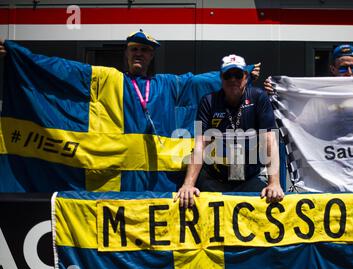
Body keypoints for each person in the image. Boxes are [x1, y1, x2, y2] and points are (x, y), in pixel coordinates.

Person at [0, 30, 261, 192]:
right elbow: (65, 70)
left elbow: (197, 81)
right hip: (117, 181)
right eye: (135, 49)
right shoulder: (107, 79)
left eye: (145, 51)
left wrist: (244, 73)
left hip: (160, 182)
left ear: (151, 57)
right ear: (127, 53)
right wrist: (21, 57)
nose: (139, 54)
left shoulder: (166, 85)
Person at [174, 54, 284, 208]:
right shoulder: (209, 101)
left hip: (250, 178)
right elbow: (200, 145)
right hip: (215, 178)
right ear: (221, 78)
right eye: (228, 75)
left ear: (245, 77)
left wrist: (274, 183)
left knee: (269, 201)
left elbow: (269, 141)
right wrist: (188, 184)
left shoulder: (258, 97)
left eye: (238, 75)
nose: (233, 80)